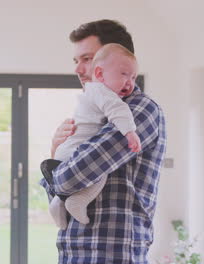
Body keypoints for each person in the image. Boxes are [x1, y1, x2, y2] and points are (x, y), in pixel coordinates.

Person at [39, 19, 167, 263]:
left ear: (115, 57)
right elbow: (59, 200)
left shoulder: (139, 111)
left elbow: (68, 180)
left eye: (86, 59)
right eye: (76, 61)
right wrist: (56, 150)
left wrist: (56, 165)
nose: (78, 69)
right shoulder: (93, 114)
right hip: (75, 253)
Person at [48, 43, 142, 230]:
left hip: (66, 150)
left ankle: (58, 203)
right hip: (74, 148)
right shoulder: (102, 91)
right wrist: (130, 133)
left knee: (69, 183)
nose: (130, 82)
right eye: (124, 74)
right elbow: (118, 110)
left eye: (133, 77)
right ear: (99, 74)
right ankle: (78, 200)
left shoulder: (92, 92)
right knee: (99, 173)